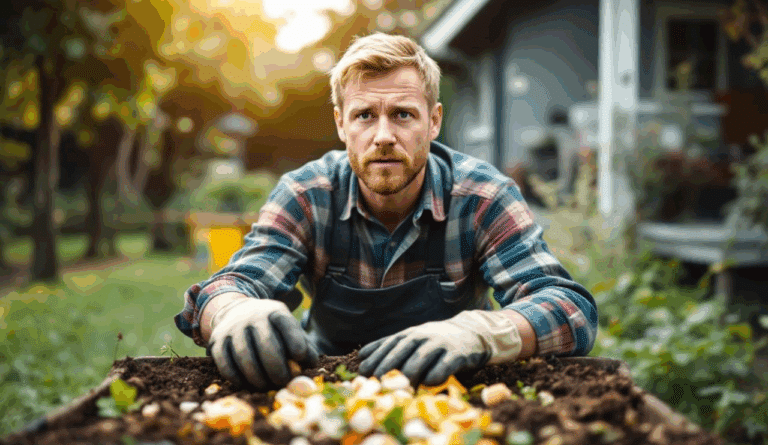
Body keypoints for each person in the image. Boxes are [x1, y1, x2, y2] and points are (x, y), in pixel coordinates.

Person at [175, 33, 598, 390]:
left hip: (454, 397)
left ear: (433, 122)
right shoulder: (307, 194)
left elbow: (570, 309)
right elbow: (229, 286)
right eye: (364, 115)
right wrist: (233, 310)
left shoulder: (483, 197)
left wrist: (479, 332)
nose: (383, 136)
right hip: (324, 393)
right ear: (341, 124)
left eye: (402, 115)